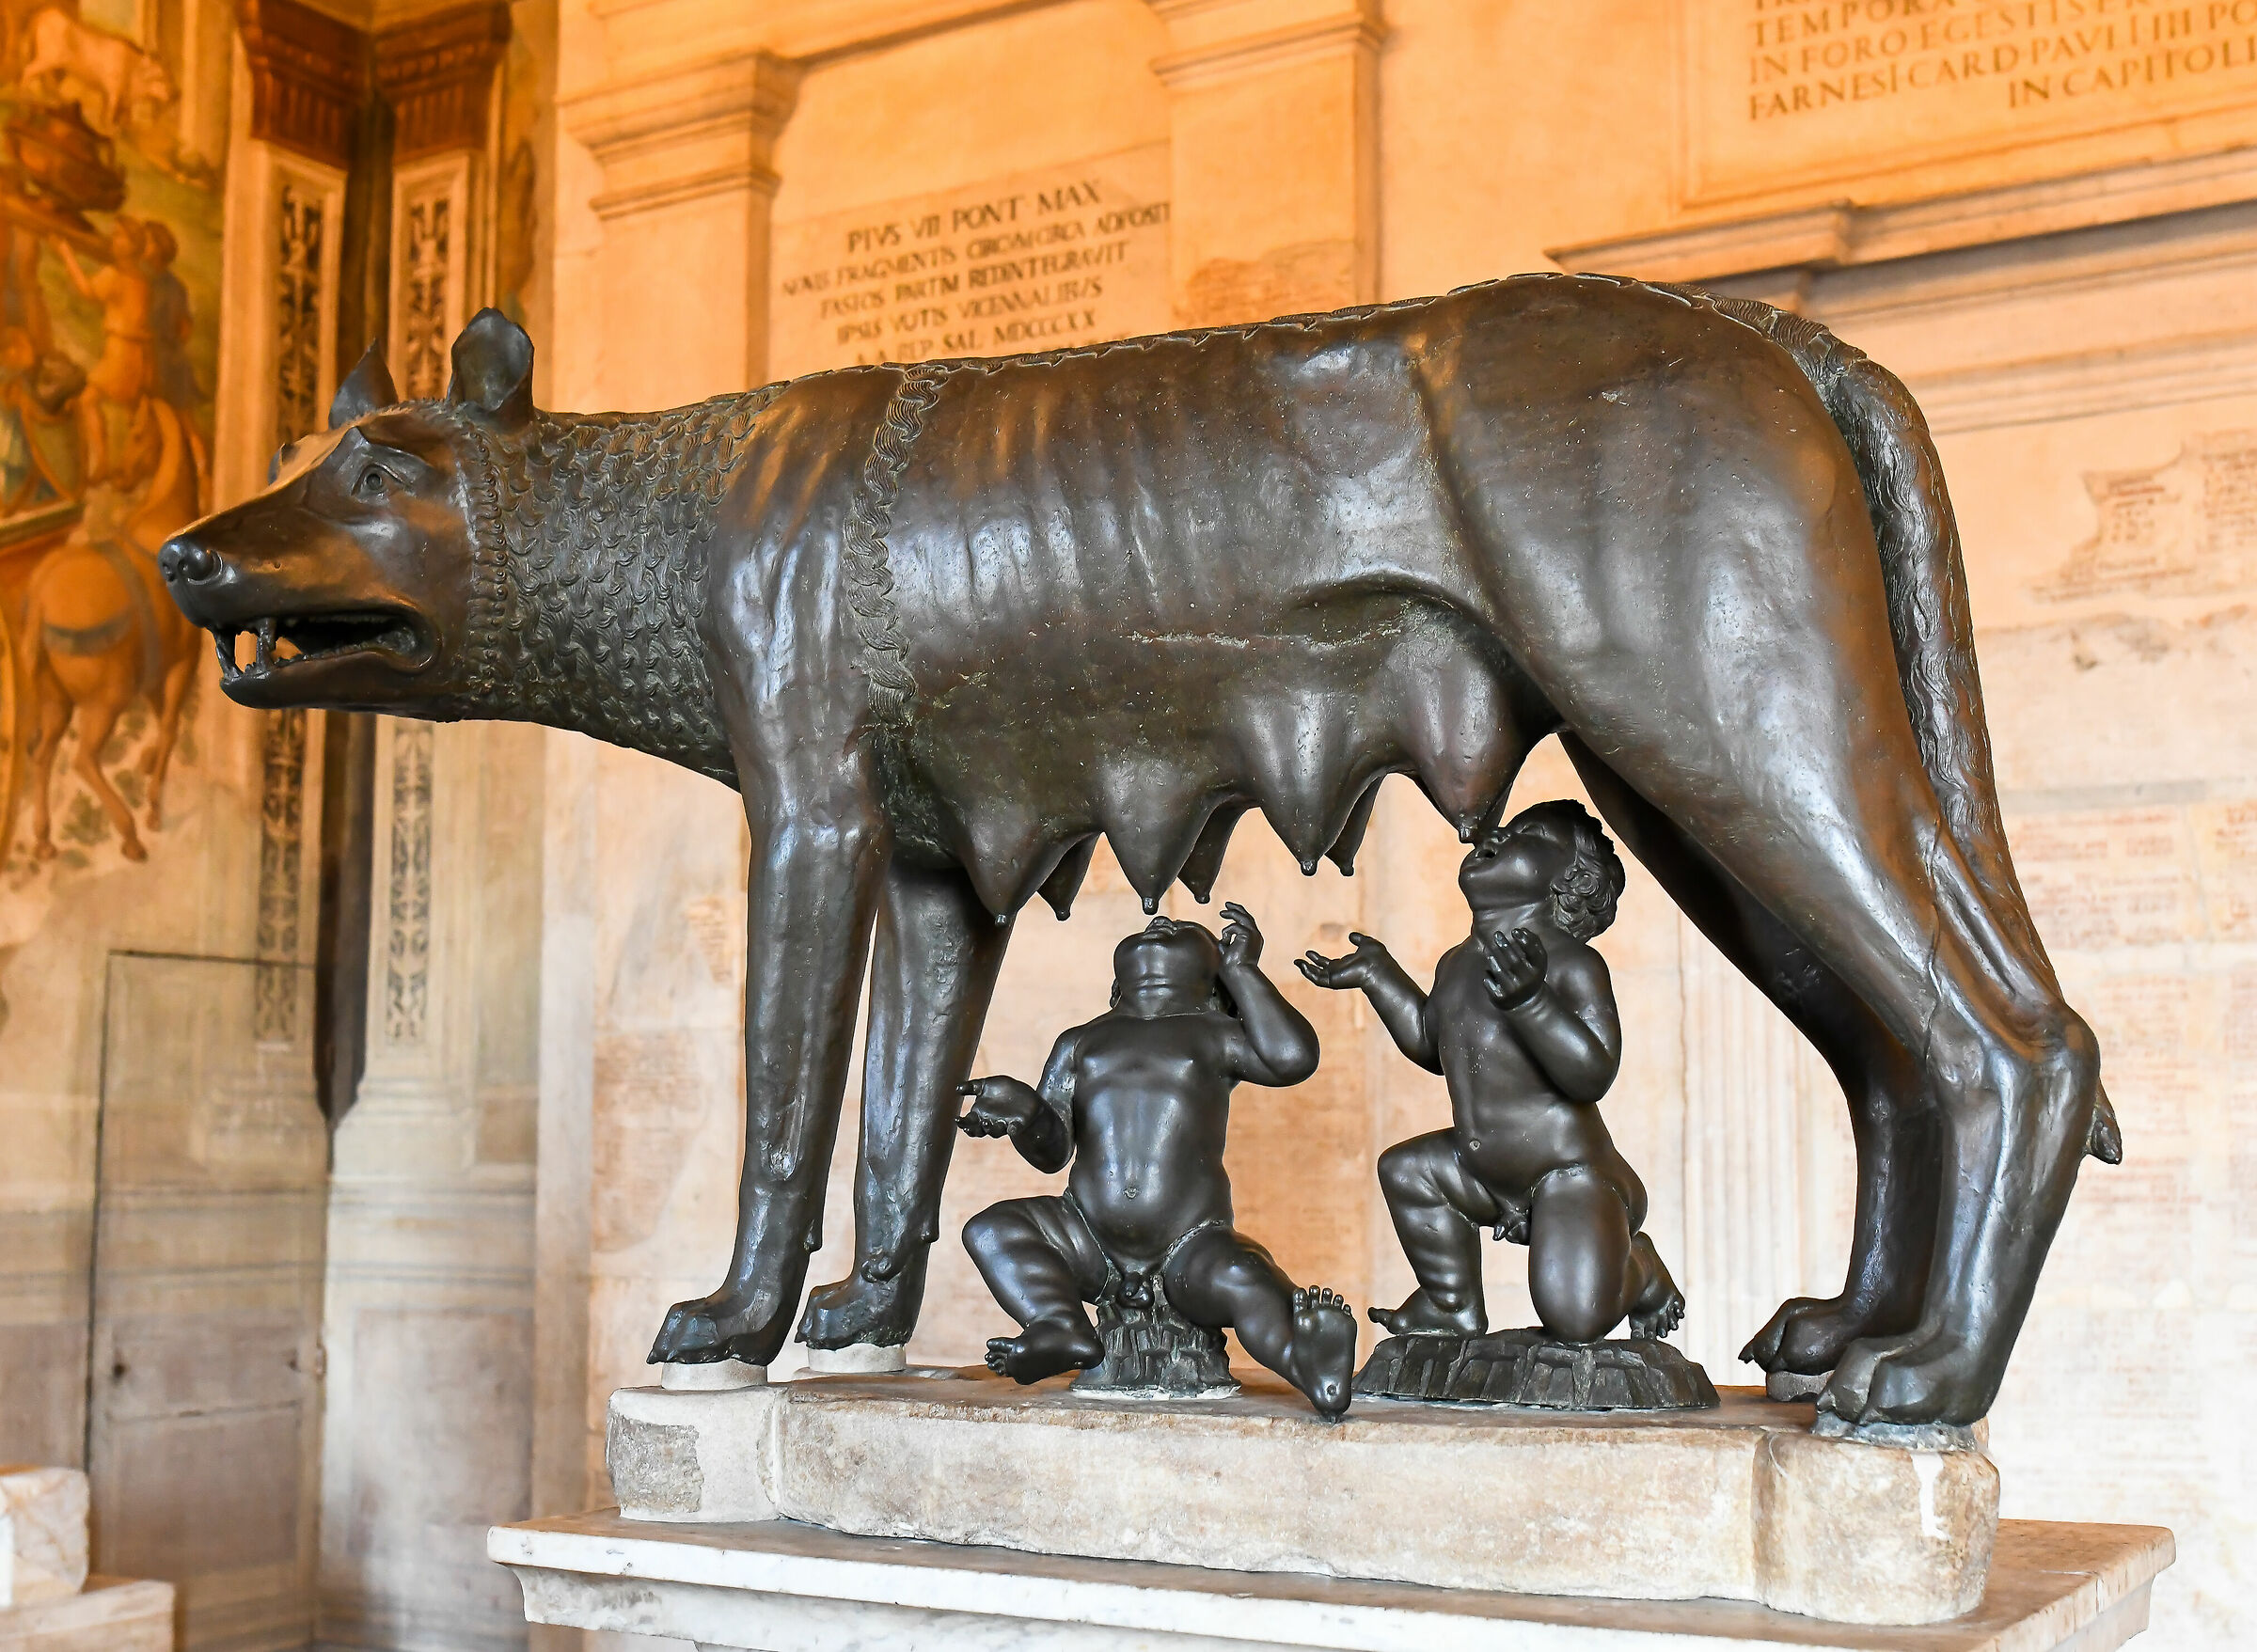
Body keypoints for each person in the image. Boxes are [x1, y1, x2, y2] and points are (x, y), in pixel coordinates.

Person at [1299, 800, 1684, 1346]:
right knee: (1408, 1170)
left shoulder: (1571, 963)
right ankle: (1451, 1303)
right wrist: (1377, 974)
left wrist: (1533, 1003)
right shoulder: (1456, 963)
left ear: (1570, 881)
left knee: (1574, 1320)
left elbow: (1593, 1071)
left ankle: (1639, 1268)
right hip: (1480, 1170)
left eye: (1527, 835)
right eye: (1503, 829)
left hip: (1569, 1173)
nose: (1496, 837)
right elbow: (1432, 1045)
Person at [957, 905, 1359, 1415]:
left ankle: (1307, 1363)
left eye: (1188, 931)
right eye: (1151, 926)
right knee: (992, 1230)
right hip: (1086, 1236)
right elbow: (1052, 1152)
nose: (1160, 923)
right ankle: (1059, 1324)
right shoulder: (1081, 1042)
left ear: (1212, 978)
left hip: (1190, 1245)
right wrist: (1024, 1110)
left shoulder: (1213, 1033)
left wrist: (1244, 971)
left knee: (1244, 1276)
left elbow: (1292, 1058)